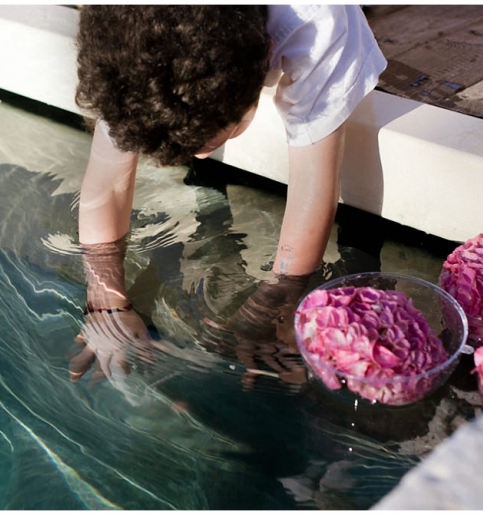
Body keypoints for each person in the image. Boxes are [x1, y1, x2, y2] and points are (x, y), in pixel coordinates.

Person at [69, 5, 387, 386]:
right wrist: (104, 297)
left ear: (266, 52)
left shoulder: (317, 17)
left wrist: (277, 299)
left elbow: (313, 181)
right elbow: (107, 185)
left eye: (210, 142)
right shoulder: (124, 40)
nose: (200, 156)